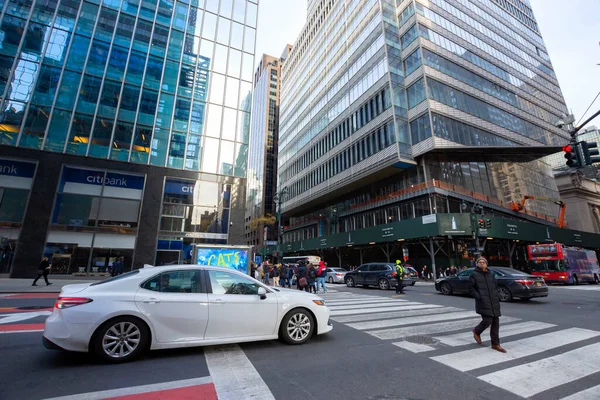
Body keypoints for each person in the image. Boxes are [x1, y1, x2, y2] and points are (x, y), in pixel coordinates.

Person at [469, 257, 507, 353]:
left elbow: (495, 286)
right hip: (483, 301)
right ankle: (477, 331)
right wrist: (479, 297)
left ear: (486, 264)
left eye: (483, 262)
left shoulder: (491, 274)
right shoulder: (474, 274)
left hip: (494, 301)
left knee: (495, 323)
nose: (482, 263)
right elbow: (471, 288)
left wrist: (497, 296)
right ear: (477, 264)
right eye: (480, 262)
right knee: (487, 320)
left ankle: (495, 344)